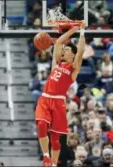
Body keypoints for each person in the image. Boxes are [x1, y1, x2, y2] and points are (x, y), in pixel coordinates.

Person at [35, 21, 86, 166]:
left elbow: (81, 51)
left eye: (67, 50)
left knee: (56, 139)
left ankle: (53, 164)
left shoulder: (73, 69)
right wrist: (71, 31)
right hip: (45, 98)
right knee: (41, 125)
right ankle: (46, 157)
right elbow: (58, 44)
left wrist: (81, 32)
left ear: (73, 55)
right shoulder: (57, 63)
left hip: (58, 101)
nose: (64, 51)